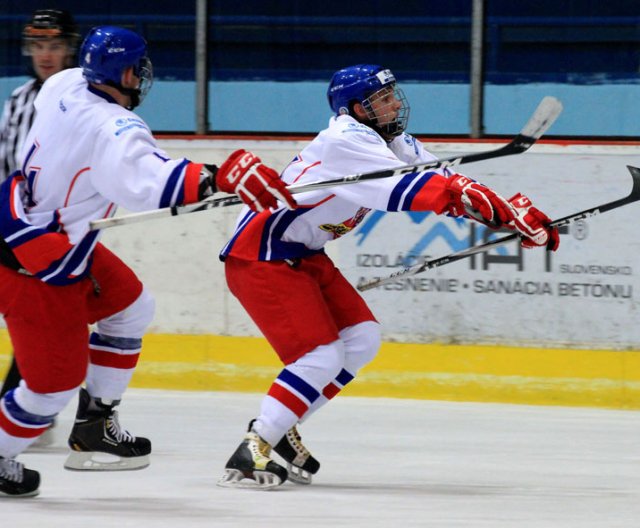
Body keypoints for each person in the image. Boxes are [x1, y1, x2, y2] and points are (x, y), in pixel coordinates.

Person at [216, 64, 560, 489]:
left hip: (304, 253)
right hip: (262, 253)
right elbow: (409, 192)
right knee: (320, 357)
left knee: (361, 338)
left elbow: (447, 179)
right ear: (357, 109)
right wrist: (468, 200)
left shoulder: (393, 141)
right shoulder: (344, 140)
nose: (395, 103)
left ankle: (279, 426)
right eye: (383, 99)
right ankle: (254, 446)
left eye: (393, 95)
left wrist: (514, 216)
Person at [0, 25, 296, 498]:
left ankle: (95, 425)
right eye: (138, 69)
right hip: (37, 266)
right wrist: (222, 176)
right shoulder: (114, 126)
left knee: (132, 306)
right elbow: (150, 181)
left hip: (53, 238)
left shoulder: (63, 84)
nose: (143, 77)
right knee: (49, 389)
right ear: (122, 72)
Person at [0, 11, 80, 438]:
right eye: (38, 46)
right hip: (13, 226)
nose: (45, 55)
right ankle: (27, 404)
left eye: (53, 46)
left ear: (69, 48)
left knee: (46, 320)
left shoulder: (83, 99)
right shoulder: (17, 99)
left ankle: (28, 405)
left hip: (58, 231)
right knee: (28, 319)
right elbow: (4, 162)